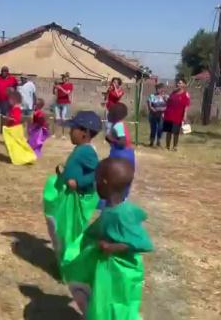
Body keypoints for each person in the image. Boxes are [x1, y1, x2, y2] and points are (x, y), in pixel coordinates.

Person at [63, 158, 153, 320]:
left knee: (118, 304)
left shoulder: (121, 214)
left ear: (104, 183)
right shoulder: (111, 209)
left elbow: (143, 243)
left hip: (121, 271)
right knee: (105, 302)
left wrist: (112, 247)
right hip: (109, 268)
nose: (95, 184)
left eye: (96, 180)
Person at [43, 110, 101, 272]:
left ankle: (72, 267)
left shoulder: (86, 151)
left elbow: (98, 172)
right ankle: (66, 263)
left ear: (85, 133)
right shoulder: (82, 148)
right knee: (64, 230)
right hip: (71, 197)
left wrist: (79, 182)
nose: (70, 131)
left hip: (77, 199)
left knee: (70, 233)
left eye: (73, 128)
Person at [105, 102, 135, 204]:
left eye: (110, 113)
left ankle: (119, 199)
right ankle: (122, 198)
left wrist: (111, 139)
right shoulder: (120, 124)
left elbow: (122, 142)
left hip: (121, 154)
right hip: (126, 153)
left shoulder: (118, 126)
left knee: (116, 177)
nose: (108, 115)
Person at [2, 91, 37, 165]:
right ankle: (18, 157)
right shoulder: (14, 108)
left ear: (14, 99)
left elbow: (16, 119)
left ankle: (26, 156)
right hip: (13, 128)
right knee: (15, 144)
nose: (8, 101)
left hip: (15, 129)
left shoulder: (16, 109)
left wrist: (7, 118)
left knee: (17, 144)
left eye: (10, 99)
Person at [163, 78, 191, 151]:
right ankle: (167, 146)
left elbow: (186, 105)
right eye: (178, 83)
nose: (178, 84)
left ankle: (175, 146)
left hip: (178, 116)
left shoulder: (186, 94)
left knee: (176, 132)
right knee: (168, 132)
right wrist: (165, 100)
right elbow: (168, 103)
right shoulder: (173, 93)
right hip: (169, 114)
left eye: (180, 83)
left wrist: (185, 115)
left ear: (184, 85)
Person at [52, 73, 74, 139]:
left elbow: (67, 93)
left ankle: (63, 135)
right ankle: (54, 134)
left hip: (65, 103)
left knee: (63, 119)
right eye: (63, 78)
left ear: (68, 78)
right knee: (57, 118)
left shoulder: (70, 85)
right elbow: (54, 93)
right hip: (58, 103)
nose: (64, 79)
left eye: (65, 77)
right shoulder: (59, 84)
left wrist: (60, 88)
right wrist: (54, 87)